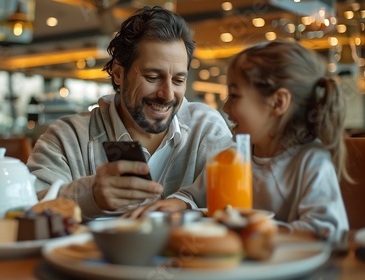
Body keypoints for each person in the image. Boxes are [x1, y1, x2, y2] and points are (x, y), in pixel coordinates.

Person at [130, 40, 350, 242]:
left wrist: (252, 232)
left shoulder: (311, 161)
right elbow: (193, 195)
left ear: (278, 102)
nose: (225, 108)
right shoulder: (232, 154)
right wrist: (176, 204)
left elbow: (324, 229)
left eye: (234, 96)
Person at [26, 6, 232, 221]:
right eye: (153, 77)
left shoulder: (206, 128)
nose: (167, 95)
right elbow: (27, 211)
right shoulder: (67, 137)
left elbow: (236, 202)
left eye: (178, 80)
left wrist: (186, 204)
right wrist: (90, 196)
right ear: (118, 73)